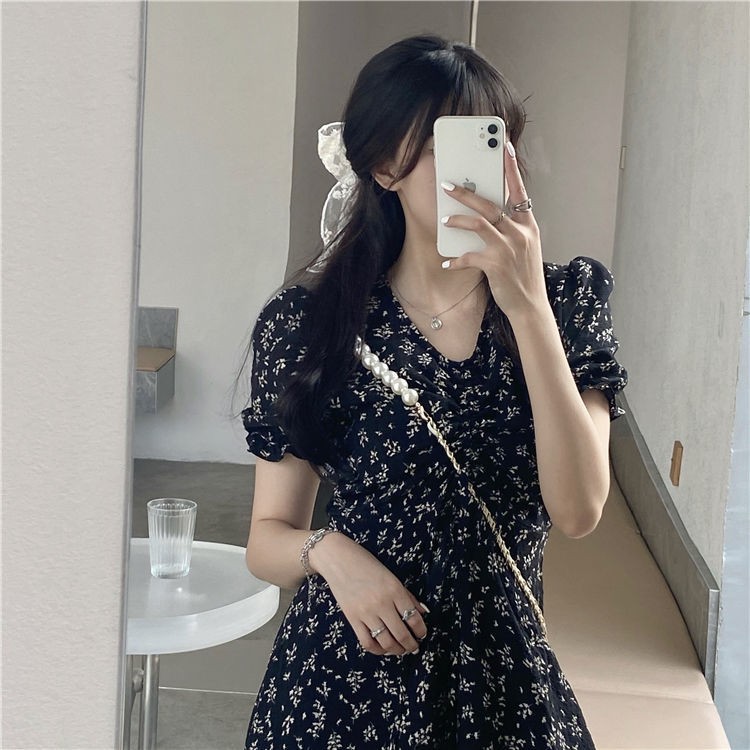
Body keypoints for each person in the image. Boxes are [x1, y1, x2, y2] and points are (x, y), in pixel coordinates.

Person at [235, 33, 628, 749]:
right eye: (454, 144)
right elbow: (266, 538)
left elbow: (579, 510)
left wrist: (528, 307)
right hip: (342, 691)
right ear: (386, 166)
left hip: (504, 694)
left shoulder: (568, 302)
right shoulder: (312, 323)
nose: (489, 170)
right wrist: (330, 553)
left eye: (496, 141)